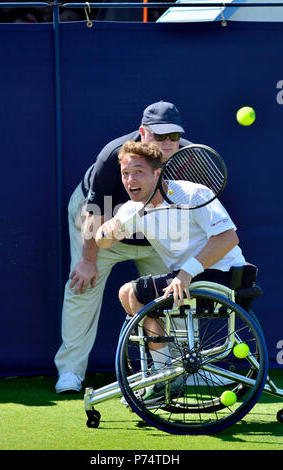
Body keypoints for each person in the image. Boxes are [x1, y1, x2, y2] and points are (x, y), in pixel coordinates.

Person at [95, 140, 250, 404]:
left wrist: (186, 273)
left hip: (223, 276)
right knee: (130, 295)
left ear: (158, 173)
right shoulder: (135, 208)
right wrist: (110, 228)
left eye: (138, 172)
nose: (130, 179)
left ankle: (166, 376)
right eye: (125, 173)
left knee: (131, 292)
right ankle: (166, 372)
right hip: (192, 280)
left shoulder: (192, 194)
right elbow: (102, 240)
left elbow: (227, 238)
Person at [54, 101, 192, 393]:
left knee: (175, 294)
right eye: (160, 136)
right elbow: (95, 212)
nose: (168, 143)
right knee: (82, 286)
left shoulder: (190, 159)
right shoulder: (113, 156)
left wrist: (184, 267)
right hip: (104, 225)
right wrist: (88, 260)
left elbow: (189, 216)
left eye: (174, 137)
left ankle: (178, 369)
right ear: (143, 132)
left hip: (155, 233)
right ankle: (70, 372)